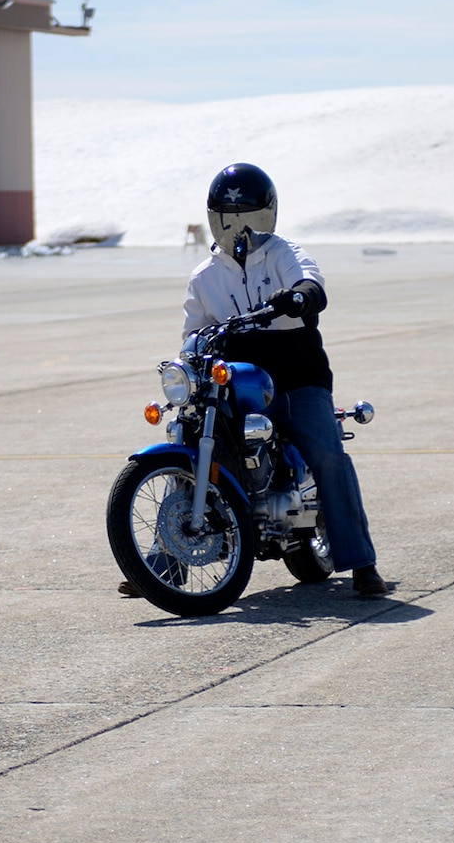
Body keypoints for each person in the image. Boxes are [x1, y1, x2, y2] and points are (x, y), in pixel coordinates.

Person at [121, 161, 387, 598]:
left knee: (326, 452)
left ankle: (362, 563)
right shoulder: (204, 277)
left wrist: (300, 296)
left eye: (246, 217)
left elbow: (312, 282)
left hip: (297, 375)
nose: (238, 228)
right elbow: (193, 332)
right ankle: (165, 560)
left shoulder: (283, 253)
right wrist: (186, 356)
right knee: (188, 437)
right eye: (228, 218)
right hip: (239, 379)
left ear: (267, 216)